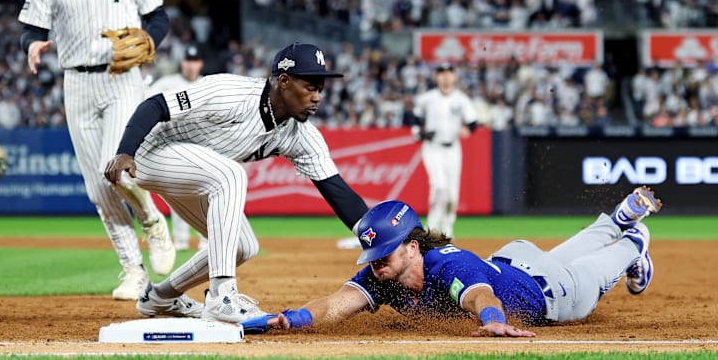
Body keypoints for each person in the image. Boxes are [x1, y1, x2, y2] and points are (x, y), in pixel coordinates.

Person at [103, 42, 370, 323]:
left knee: (243, 247)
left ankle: (159, 297)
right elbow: (156, 104)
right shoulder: (231, 92)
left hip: (195, 172)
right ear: (284, 80)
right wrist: (126, 151)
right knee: (230, 175)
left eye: (320, 90)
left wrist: (383, 241)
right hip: (149, 152)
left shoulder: (301, 135)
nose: (317, 97)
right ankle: (222, 296)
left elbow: (339, 193)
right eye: (310, 87)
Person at [246, 186, 662, 337]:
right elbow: (339, 302)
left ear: (412, 247)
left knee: (594, 271)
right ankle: (616, 220)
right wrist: (293, 319)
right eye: (371, 256)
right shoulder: (384, 274)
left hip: (555, 295)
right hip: (516, 261)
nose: (375, 264)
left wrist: (492, 319)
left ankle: (633, 237)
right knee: (565, 256)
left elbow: (478, 294)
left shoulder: (447, 264)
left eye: (383, 254)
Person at [18, 0, 175, 300]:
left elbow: (157, 17)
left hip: (122, 78)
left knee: (114, 167)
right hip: (76, 83)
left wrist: (151, 39)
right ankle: (134, 269)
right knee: (98, 191)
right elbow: (32, 29)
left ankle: (151, 220)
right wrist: (31, 44)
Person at [146, 44, 209, 251]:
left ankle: (207, 240)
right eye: (188, 61)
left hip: (201, 145)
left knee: (204, 194)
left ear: (201, 63)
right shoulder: (167, 83)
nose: (191, 65)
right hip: (173, 145)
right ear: (182, 63)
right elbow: (146, 102)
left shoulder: (208, 84)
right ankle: (180, 240)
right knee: (178, 194)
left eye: (195, 61)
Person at [412, 62, 479, 239]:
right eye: (441, 73)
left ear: (454, 76)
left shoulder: (461, 99)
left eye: (449, 72)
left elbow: (473, 121)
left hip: (453, 148)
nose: (445, 76)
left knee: (452, 195)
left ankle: (447, 229)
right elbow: (414, 119)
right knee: (439, 186)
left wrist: (469, 130)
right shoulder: (427, 98)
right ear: (436, 77)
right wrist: (419, 132)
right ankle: (432, 229)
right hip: (433, 148)